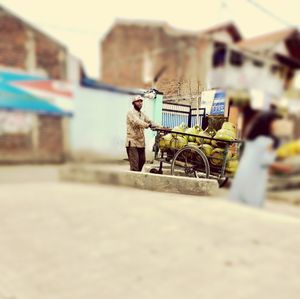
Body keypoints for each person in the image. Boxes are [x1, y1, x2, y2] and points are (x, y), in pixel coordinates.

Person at [230, 111, 291, 207]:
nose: (279, 125)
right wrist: (284, 168)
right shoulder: (267, 141)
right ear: (269, 122)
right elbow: (266, 161)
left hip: (243, 175)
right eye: (277, 122)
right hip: (255, 178)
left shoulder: (252, 138)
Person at [126, 95, 156, 172]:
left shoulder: (142, 114)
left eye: (141, 101)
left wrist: (161, 126)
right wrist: (147, 125)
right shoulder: (130, 113)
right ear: (133, 103)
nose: (140, 103)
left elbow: (150, 121)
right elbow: (137, 122)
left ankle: (136, 178)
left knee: (142, 161)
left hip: (141, 142)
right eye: (137, 101)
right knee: (135, 165)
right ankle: (133, 179)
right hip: (132, 142)